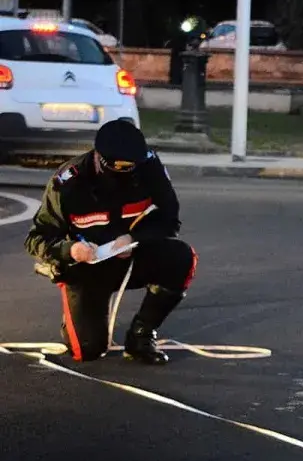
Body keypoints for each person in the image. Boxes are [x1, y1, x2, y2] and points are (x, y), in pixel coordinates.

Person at [24, 120, 197, 365]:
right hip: (86, 265)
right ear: (99, 159)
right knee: (88, 350)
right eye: (119, 172)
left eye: (132, 170)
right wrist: (70, 250)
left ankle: (141, 335)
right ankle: (74, 304)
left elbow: (170, 221)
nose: (125, 178)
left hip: (132, 254)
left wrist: (134, 238)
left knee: (181, 258)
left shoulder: (150, 168)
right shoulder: (68, 184)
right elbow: (36, 238)